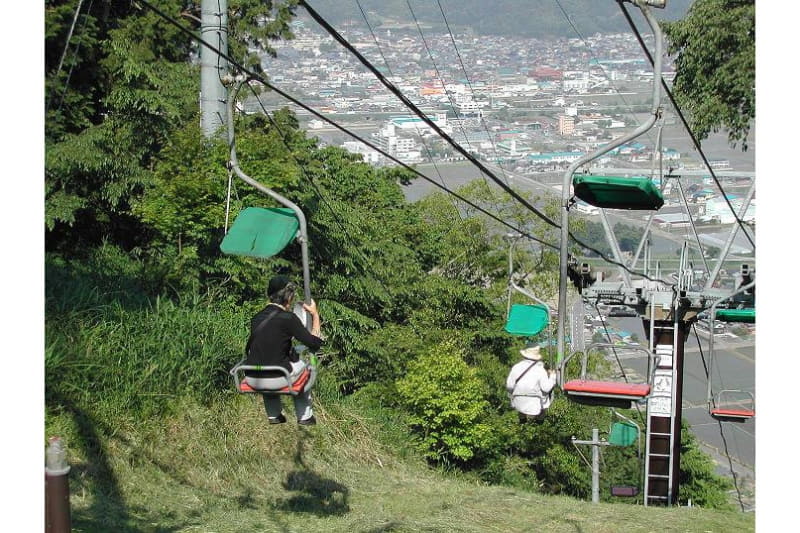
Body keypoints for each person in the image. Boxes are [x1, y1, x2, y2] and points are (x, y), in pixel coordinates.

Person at [244, 275, 323, 426]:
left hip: (252, 378)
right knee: (305, 367)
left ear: (269, 294)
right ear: (289, 297)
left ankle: (274, 415)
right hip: (277, 378)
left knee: (267, 362)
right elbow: (314, 343)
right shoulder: (288, 318)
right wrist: (315, 315)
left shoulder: (256, 318)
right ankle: (305, 416)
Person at [506, 343, 557, 422]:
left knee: (521, 393)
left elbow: (509, 386)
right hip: (536, 403)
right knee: (546, 394)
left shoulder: (516, 367)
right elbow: (546, 388)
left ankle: (522, 418)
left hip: (518, 401)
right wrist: (552, 376)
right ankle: (540, 420)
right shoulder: (540, 370)